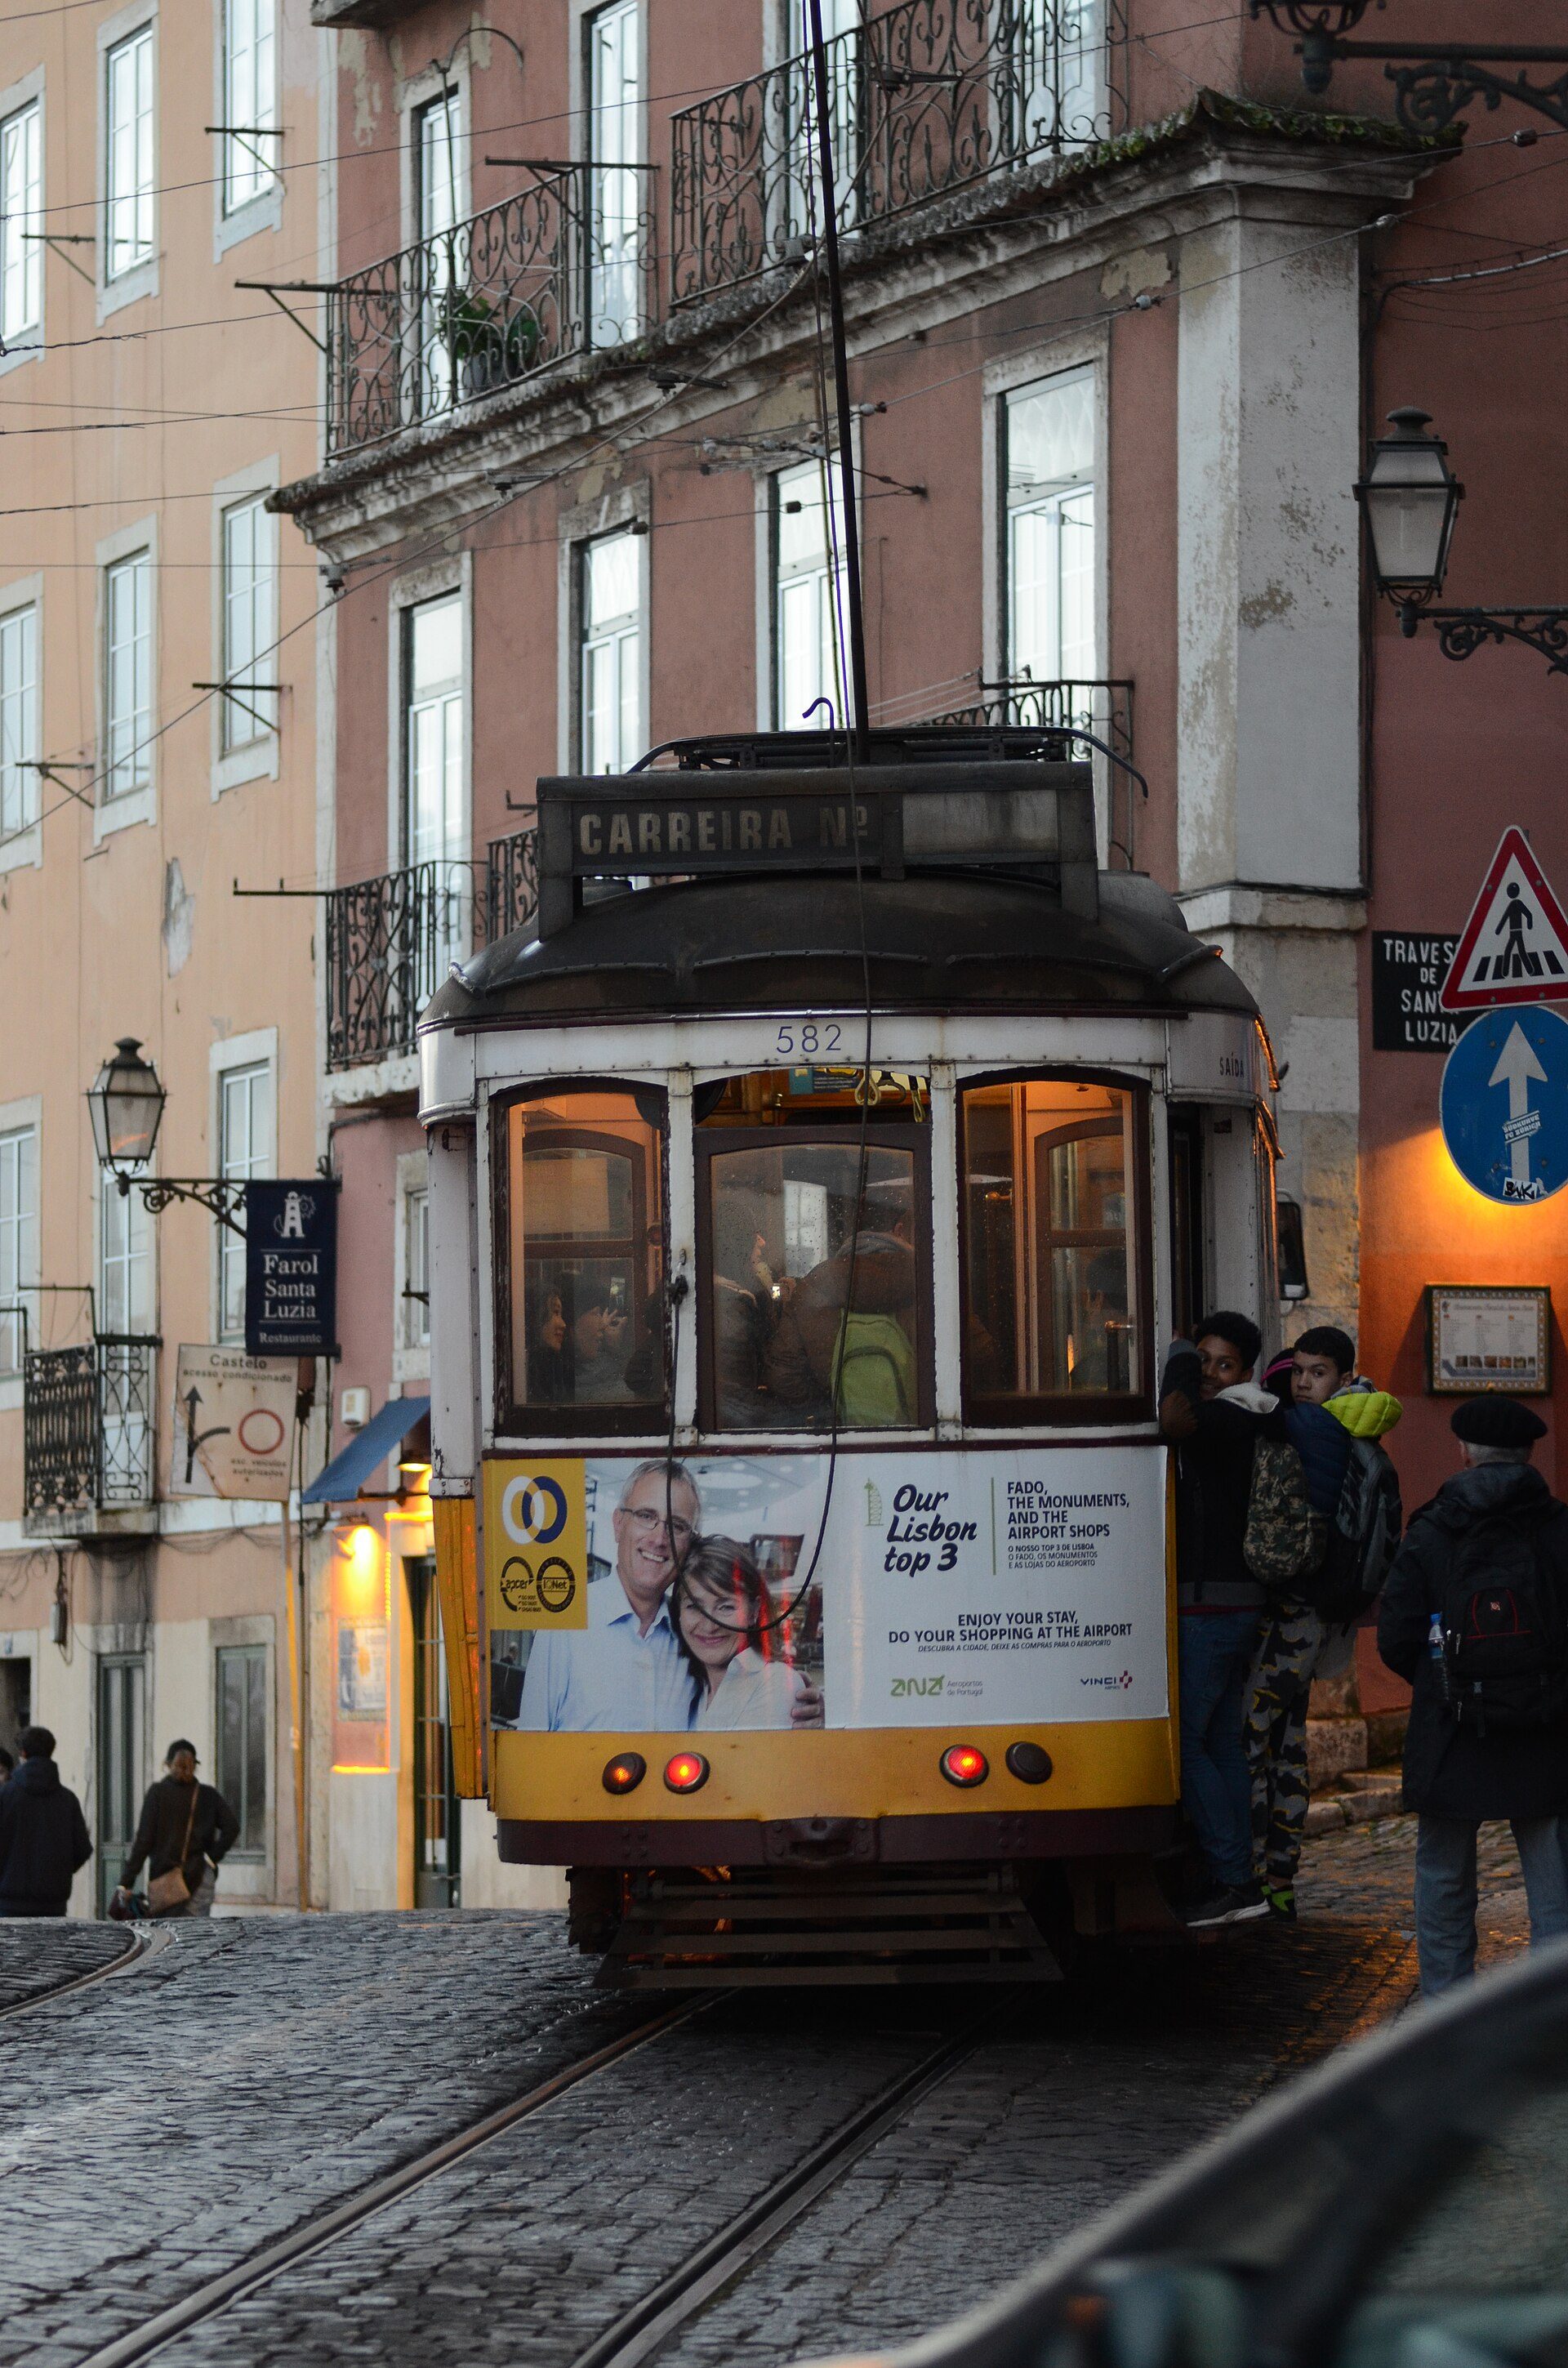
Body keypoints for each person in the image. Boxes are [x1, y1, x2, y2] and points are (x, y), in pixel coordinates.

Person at [1379, 1395, 1568, 1997]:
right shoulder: (1561, 1527)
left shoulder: (1433, 1528)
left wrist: (1443, 1685)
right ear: (1529, 1452)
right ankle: (1551, 2025)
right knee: (1555, 1885)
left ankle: (1444, 2016)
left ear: (1464, 1453)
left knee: (1443, 1878)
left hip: (1450, 1730)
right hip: (1547, 1727)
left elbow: (1396, 1635)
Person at [1246, 1326, 1401, 1919]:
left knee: (1251, 1739)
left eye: (1316, 1372)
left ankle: (1255, 1871)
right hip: (1324, 1614)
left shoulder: (1313, 1424)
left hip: (1295, 1608)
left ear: (1342, 1376)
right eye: (1300, 1371)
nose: (1303, 1382)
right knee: (1289, 1744)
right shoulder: (1363, 1424)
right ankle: (1282, 1877)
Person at [1160, 1312, 1281, 1926]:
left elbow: (1175, 1418)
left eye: (1221, 1363)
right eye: (1203, 1359)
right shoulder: (1245, 1416)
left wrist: (1177, 1348)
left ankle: (1234, 1878)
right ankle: (1239, 1876)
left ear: (1245, 1372)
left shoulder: (1233, 1415)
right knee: (1220, 1744)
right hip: (1231, 1604)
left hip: (1213, 1606)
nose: (1208, 1373)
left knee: (1192, 1743)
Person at [519, 1460, 706, 1732]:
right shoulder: (566, 1623)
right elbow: (531, 1744)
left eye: (677, 1526)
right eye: (646, 1516)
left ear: (690, 1543)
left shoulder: (691, 1635)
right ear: (619, 1524)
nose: (659, 1538)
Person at [674, 1536, 823, 1730]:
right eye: (694, 1606)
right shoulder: (690, 1688)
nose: (709, 1625)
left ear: (754, 1612)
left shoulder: (776, 1683)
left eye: (726, 1607)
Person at [114, 1741, 239, 1920]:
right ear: (195, 1765)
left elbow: (144, 1841)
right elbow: (232, 1827)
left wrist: (126, 1882)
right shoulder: (208, 1795)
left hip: (165, 1882)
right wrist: (210, 1859)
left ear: (167, 1764)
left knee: (168, 1935)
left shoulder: (157, 1794)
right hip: (200, 1877)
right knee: (197, 1935)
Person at [0, 1727, 91, 1918]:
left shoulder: (5, 1795)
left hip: (9, 1900)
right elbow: (82, 1849)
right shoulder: (68, 1799)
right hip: (53, 1903)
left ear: (23, 1753)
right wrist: (58, 1870)